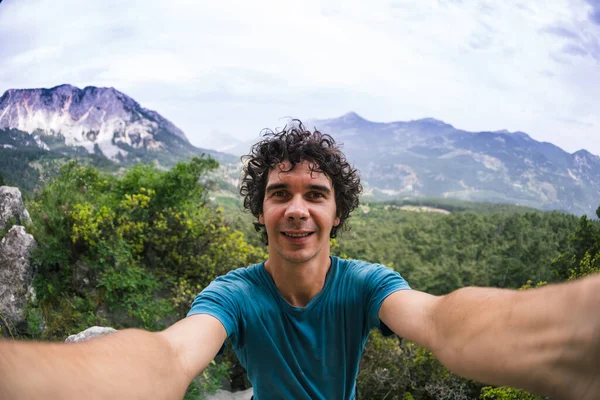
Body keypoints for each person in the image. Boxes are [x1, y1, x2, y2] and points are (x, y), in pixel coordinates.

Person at [1, 122, 599, 400]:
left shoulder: (366, 285)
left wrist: (575, 324)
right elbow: (167, 356)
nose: (296, 210)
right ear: (259, 211)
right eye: (279, 194)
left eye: (316, 195)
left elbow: (443, 322)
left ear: (338, 214)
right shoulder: (234, 294)